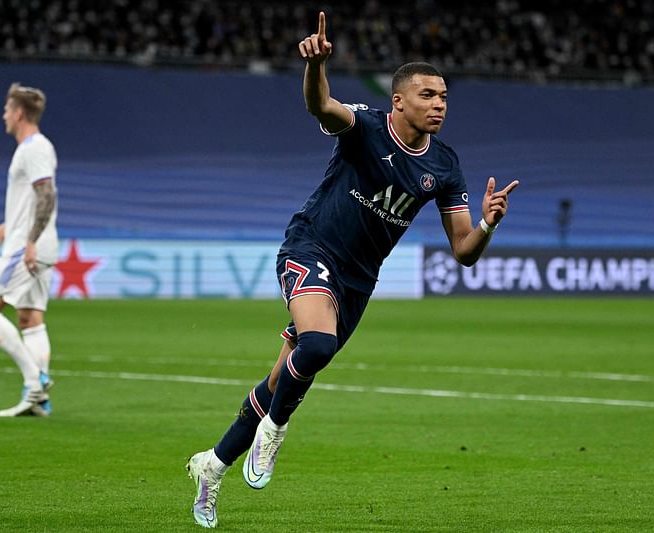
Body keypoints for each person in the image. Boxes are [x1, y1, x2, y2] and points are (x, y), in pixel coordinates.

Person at [186, 11, 519, 528]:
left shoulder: (445, 166)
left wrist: (488, 224)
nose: (439, 105)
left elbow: (463, 250)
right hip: (311, 247)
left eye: (445, 97)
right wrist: (316, 67)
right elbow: (322, 106)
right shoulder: (365, 126)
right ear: (400, 100)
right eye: (428, 95)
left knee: (279, 378)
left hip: (359, 281)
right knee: (314, 348)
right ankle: (274, 432)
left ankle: (211, 466)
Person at [0, 82, 58, 417]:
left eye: (8, 109)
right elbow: (30, 201)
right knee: (30, 317)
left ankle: (34, 379)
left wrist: (29, 241)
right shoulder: (34, 148)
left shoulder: (33, 149)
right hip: (34, 241)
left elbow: (47, 195)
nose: (4, 115)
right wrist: (4, 227)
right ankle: (38, 400)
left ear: (19, 113)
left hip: (26, 247)